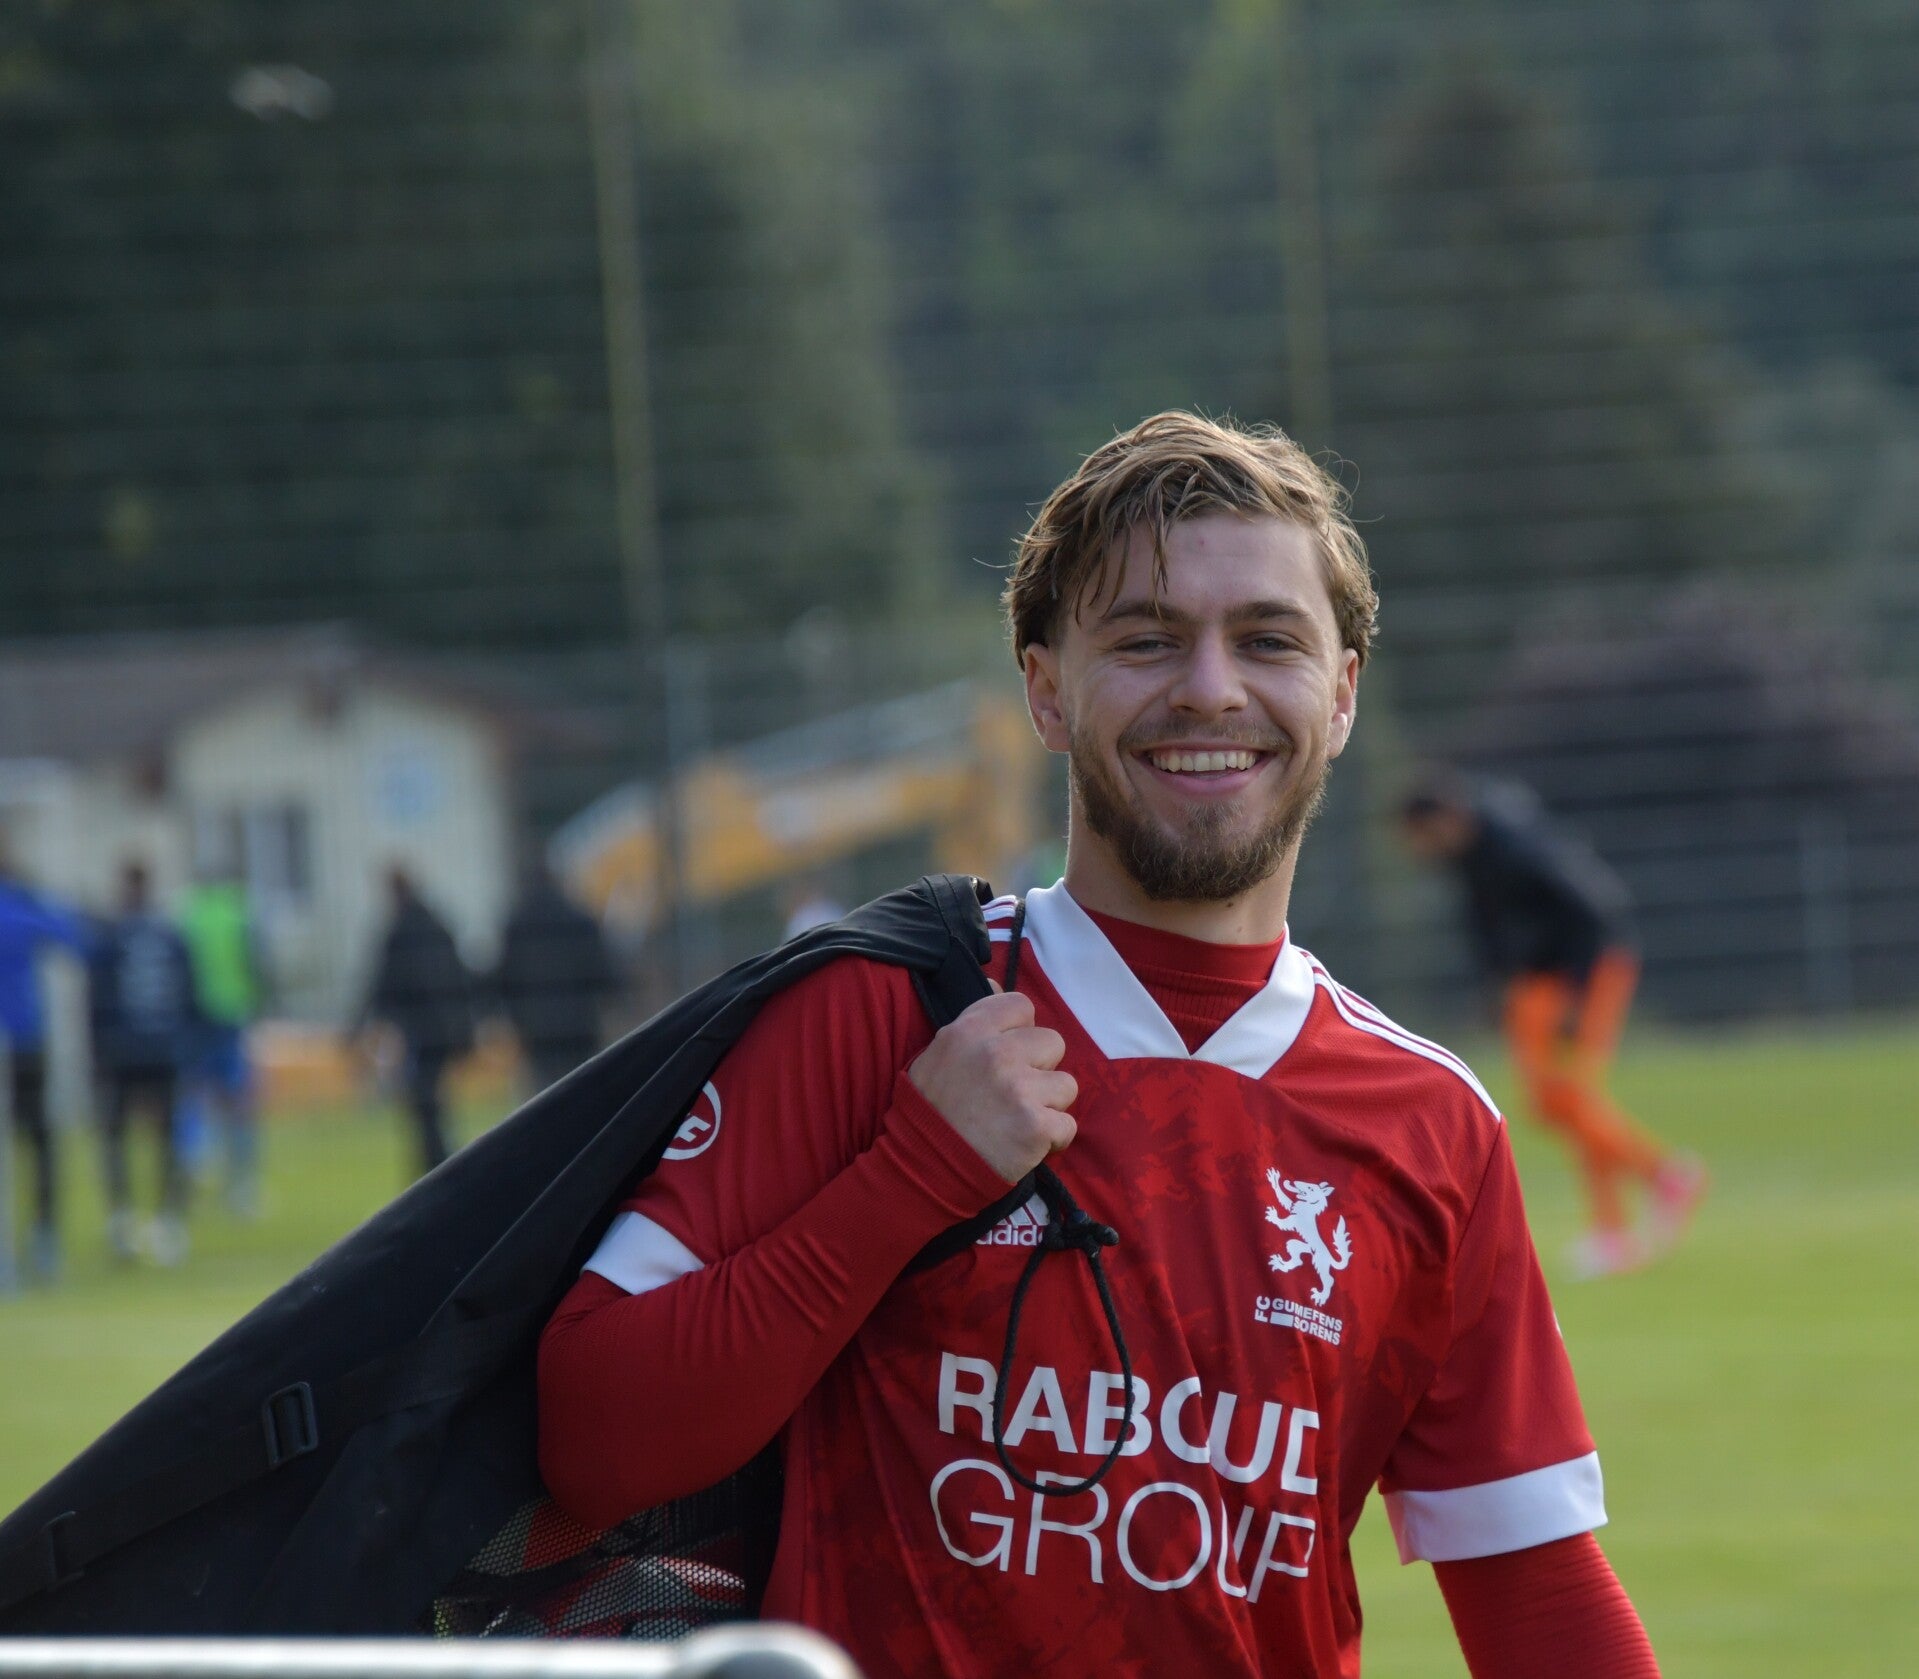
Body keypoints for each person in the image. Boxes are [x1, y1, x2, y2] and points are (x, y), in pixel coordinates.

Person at [538, 413, 1662, 1676]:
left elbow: (1534, 1589)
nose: (1210, 687)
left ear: (1341, 692)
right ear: (1044, 688)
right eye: (1144, 638)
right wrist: (908, 1176)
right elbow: (595, 1440)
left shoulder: (1431, 1126)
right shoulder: (881, 1010)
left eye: (1268, 639)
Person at [1400, 775, 1708, 1278]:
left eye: (1421, 836)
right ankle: (1630, 1212)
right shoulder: (1470, 857)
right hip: (1536, 981)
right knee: (1555, 1102)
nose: (1419, 850)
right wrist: (1499, 989)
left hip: (1583, 971)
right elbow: (1490, 930)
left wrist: (1576, 996)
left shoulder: (1514, 846)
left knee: (1570, 1093)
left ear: (1443, 820)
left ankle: (1653, 1187)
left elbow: (1589, 910)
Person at [88, 860, 200, 1266]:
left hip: (126, 1050)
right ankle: (166, 1221)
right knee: (163, 1135)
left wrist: (96, 1051)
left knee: (119, 1135)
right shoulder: (168, 934)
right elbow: (190, 993)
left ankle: (128, 1221)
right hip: (161, 1048)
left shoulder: (112, 935)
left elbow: (96, 999)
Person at [0, 841, 88, 1281]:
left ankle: (34, 1242)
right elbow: (75, 938)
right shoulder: (22, 905)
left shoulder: (18, 906)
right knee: (39, 1141)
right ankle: (43, 1238)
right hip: (23, 1040)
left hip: (22, 1041)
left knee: (35, 1139)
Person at [358, 867, 475, 1177]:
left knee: (423, 1104)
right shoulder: (438, 925)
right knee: (432, 1101)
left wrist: (358, 1026)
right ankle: (440, 1163)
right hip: (445, 1029)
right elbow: (459, 979)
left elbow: (382, 982)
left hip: (419, 1031)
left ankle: (435, 1165)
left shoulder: (400, 932)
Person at [177, 867, 269, 1216]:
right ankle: (242, 1184)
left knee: (193, 1094)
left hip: (196, 1019)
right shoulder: (239, 911)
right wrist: (260, 1001)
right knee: (239, 1101)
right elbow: (256, 960)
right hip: (232, 1014)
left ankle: (194, 1160)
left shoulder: (187, 914)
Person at [493, 858, 619, 1095]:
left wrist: (515, 1016)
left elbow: (504, 980)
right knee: (585, 1091)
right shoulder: (580, 921)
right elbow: (603, 974)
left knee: (547, 1096)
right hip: (580, 1025)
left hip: (536, 1030)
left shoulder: (516, 926)